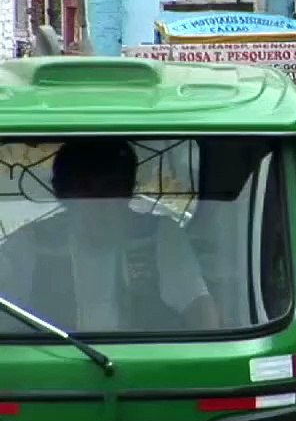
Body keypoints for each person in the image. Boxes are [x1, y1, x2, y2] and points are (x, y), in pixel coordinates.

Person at [0, 139, 219, 333]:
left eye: (109, 190)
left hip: (144, 367)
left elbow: (198, 306)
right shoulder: (29, 242)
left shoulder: (159, 235)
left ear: (128, 192)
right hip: (54, 369)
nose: (99, 206)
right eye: (85, 193)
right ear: (63, 195)